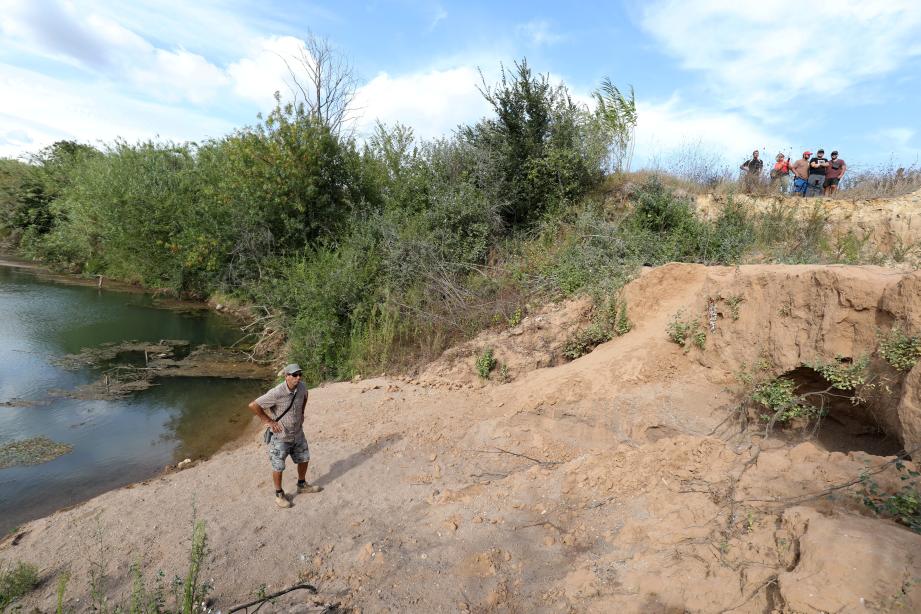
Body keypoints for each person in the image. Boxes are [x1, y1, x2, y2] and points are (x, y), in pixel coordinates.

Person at [248, 363, 322, 508]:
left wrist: (301, 413)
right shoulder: (276, 392)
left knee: (304, 458)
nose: (298, 377)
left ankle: (302, 485)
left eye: (300, 374)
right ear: (286, 376)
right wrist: (268, 421)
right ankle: (279, 494)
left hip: (298, 433)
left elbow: (305, 396)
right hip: (280, 436)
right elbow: (253, 405)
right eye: (294, 375)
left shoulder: (302, 387)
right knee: (278, 466)